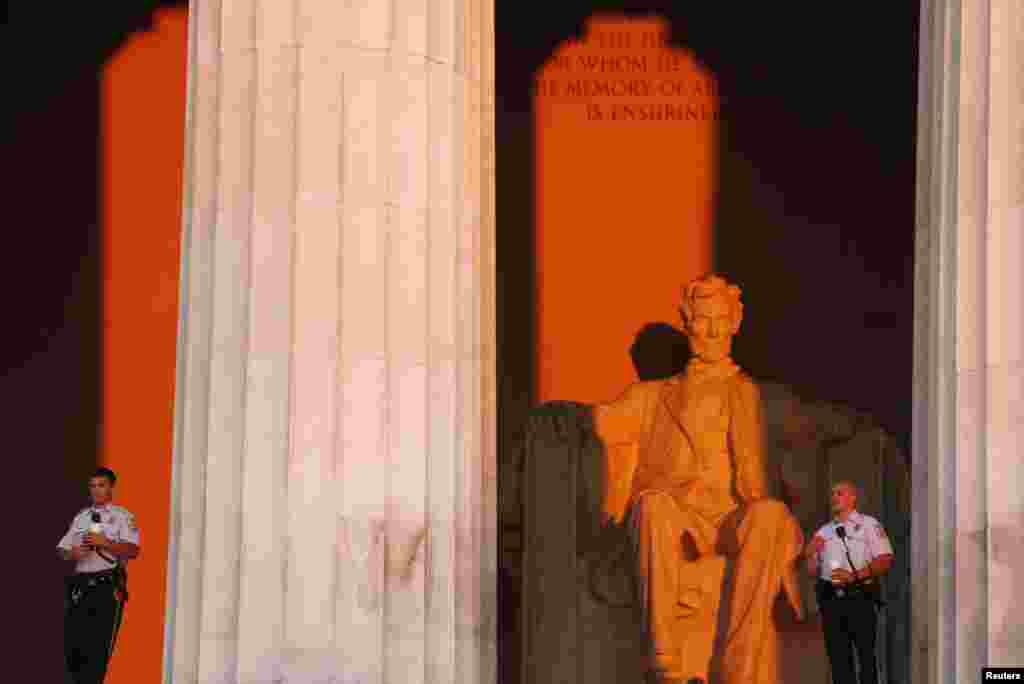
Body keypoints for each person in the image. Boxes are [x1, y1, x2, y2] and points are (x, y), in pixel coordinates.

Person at [592, 274, 804, 684]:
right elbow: (595, 423)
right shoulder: (650, 396)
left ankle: (738, 665)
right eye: (701, 319)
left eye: (719, 320)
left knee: (771, 517)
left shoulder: (758, 396)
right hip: (675, 514)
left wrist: (861, 428)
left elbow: (814, 422)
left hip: (732, 517)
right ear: (687, 323)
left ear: (735, 323)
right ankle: (663, 655)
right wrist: (557, 419)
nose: (710, 330)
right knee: (652, 504)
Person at [57, 468, 141, 684]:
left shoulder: (123, 516)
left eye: (101, 485)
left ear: (111, 488)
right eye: (92, 486)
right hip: (80, 586)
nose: (96, 490)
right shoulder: (81, 518)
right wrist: (71, 553)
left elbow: (133, 551)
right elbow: (62, 549)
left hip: (106, 587)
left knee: (98, 649)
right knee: (73, 647)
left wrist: (107, 543)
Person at [805, 481, 894, 684]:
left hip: (858, 595)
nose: (835, 497)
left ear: (853, 498)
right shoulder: (823, 531)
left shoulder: (868, 525)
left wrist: (853, 576)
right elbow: (813, 572)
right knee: (838, 659)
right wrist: (810, 555)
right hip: (831, 599)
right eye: (833, 493)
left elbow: (885, 560)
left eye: (840, 493)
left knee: (865, 656)